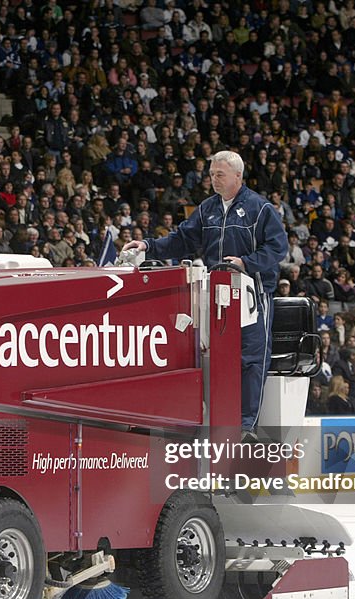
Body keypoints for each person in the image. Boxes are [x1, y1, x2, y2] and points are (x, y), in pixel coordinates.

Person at [122, 150, 288, 441]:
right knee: (216, 357)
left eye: (219, 174)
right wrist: (148, 246)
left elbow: (278, 247)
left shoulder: (260, 209)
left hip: (253, 294)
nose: (214, 179)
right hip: (217, 294)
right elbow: (182, 239)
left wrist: (247, 263)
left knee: (252, 358)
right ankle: (217, 421)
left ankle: (246, 425)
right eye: (211, 174)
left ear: (238, 175)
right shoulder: (207, 208)